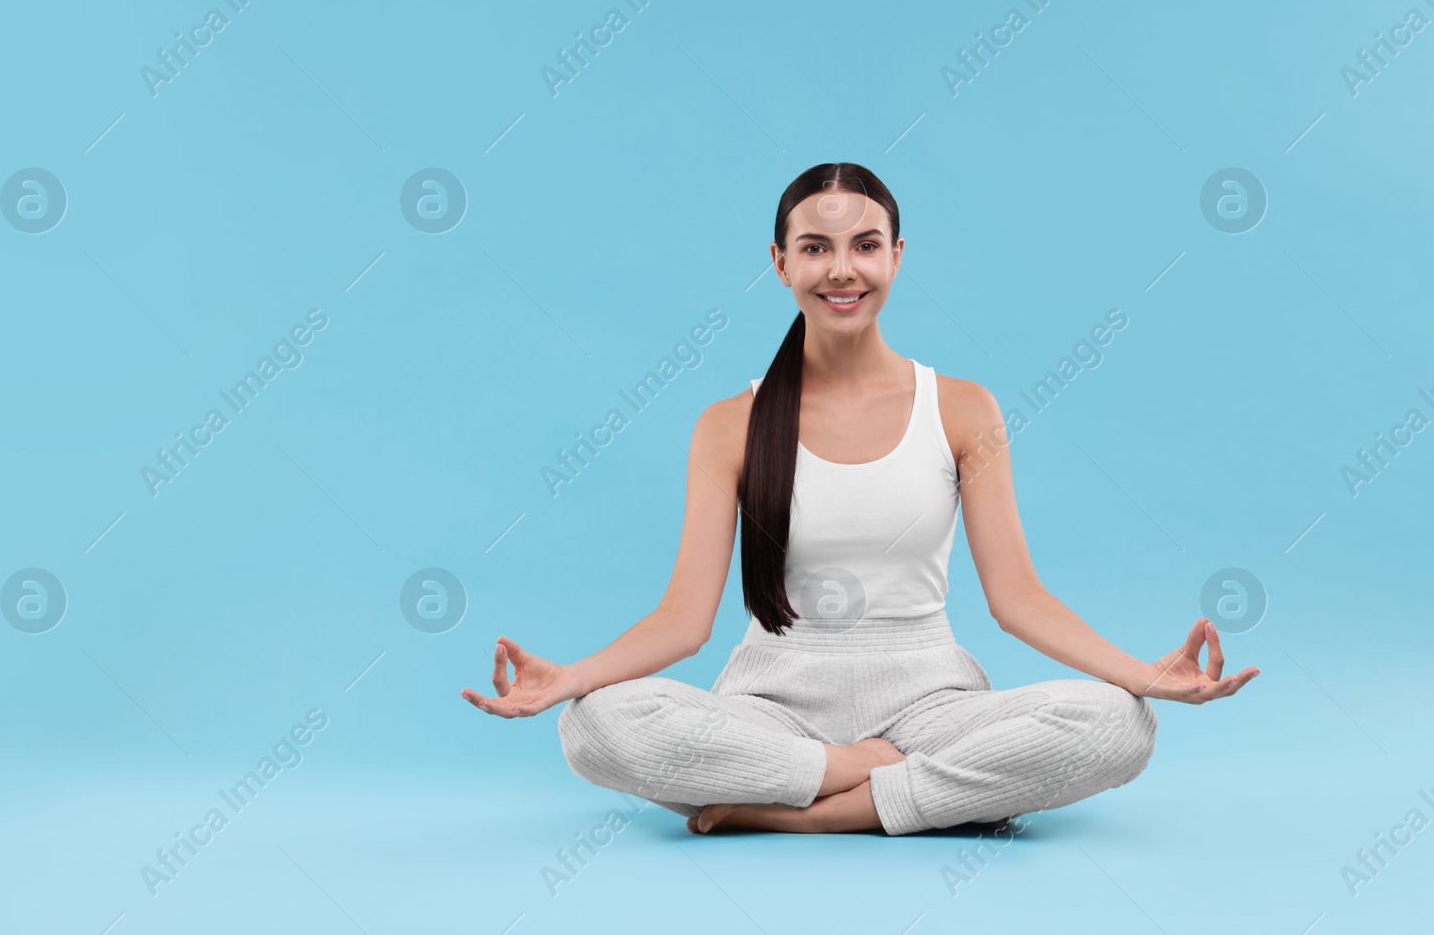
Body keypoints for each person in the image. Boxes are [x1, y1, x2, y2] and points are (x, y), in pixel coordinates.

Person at [460, 162, 1259, 835]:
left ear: (898, 256)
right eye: (816, 247)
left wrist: (1142, 677)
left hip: (930, 700)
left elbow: (1019, 599)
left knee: (1119, 724)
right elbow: (683, 620)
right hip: (771, 704)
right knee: (593, 725)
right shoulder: (729, 424)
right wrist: (570, 678)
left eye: (864, 245)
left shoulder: (961, 408)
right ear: (779, 262)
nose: (842, 269)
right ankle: (868, 781)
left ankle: (802, 812)